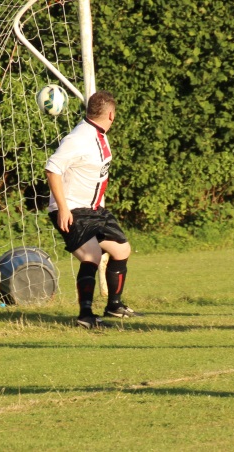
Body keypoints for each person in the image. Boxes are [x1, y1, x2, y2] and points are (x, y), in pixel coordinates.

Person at [45, 90, 141, 329]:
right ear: (111, 115)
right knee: (92, 256)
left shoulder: (98, 134)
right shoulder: (78, 138)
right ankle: (85, 316)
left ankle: (114, 306)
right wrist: (63, 209)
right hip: (72, 209)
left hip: (94, 209)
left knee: (122, 249)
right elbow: (52, 169)